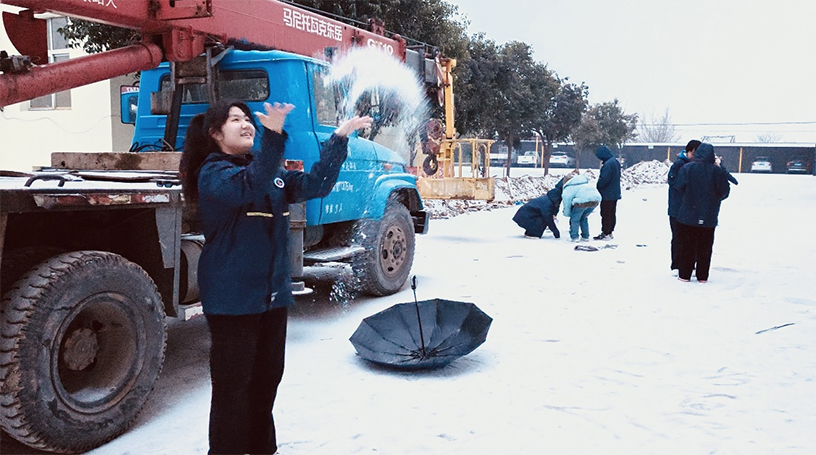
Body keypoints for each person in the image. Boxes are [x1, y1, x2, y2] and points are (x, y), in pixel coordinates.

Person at [180, 99, 372, 455]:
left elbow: (316, 185)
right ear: (215, 133)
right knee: (232, 389)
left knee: (266, 381)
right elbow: (249, 187)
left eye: (248, 119)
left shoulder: (270, 172)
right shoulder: (214, 174)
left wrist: (339, 139)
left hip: (271, 296)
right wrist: (273, 135)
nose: (246, 124)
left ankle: (263, 449)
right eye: (235, 120)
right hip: (233, 297)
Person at [673, 142, 732, 283]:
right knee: (705, 247)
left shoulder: (687, 168)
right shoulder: (717, 172)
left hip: (687, 215)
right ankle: (702, 277)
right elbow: (724, 192)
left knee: (687, 246)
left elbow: (678, 186)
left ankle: (684, 275)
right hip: (708, 216)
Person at [667, 139, 700, 271]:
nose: (695, 157)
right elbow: (673, 183)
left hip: (690, 209)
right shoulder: (679, 164)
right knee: (678, 238)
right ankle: (676, 265)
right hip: (677, 209)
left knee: (690, 239)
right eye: (693, 154)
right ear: (689, 151)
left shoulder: (696, 165)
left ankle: (688, 265)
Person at [561, 171, 602, 242]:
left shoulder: (570, 187)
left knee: (575, 219)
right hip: (595, 201)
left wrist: (567, 214)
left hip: (581, 203)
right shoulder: (584, 183)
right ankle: (585, 236)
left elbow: (567, 202)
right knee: (583, 218)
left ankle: (574, 237)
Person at [593, 145, 621, 240]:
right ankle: (610, 232)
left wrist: (598, 186)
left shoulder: (608, 164)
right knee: (612, 213)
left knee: (605, 213)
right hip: (615, 193)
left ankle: (606, 232)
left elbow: (604, 179)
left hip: (607, 194)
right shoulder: (615, 162)